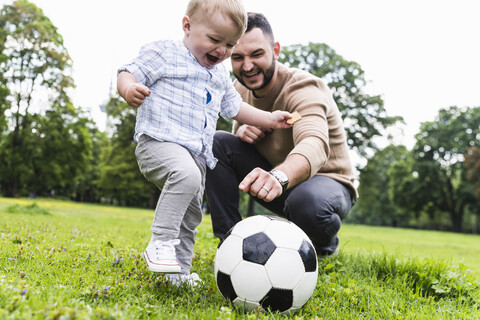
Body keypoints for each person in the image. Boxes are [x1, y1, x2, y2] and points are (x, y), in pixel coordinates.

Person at [116, 1, 292, 286]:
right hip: (158, 144)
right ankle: (159, 242)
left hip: (196, 156)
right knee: (184, 176)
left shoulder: (221, 74)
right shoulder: (165, 52)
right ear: (187, 26)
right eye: (214, 40)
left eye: (229, 45)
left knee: (192, 213)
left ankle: (179, 273)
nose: (222, 51)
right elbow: (128, 71)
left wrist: (270, 120)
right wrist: (129, 88)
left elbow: (235, 108)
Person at [205, 12, 358, 257]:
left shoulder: (303, 88)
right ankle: (230, 242)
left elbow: (314, 142)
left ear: (275, 50)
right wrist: (243, 131)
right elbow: (232, 149)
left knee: (306, 203)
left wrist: (279, 176)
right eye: (238, 57)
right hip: (278, 184)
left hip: (327, 183)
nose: (247, 66)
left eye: (257, 54)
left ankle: (323, 247)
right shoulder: (238, 90)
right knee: (217, 142)